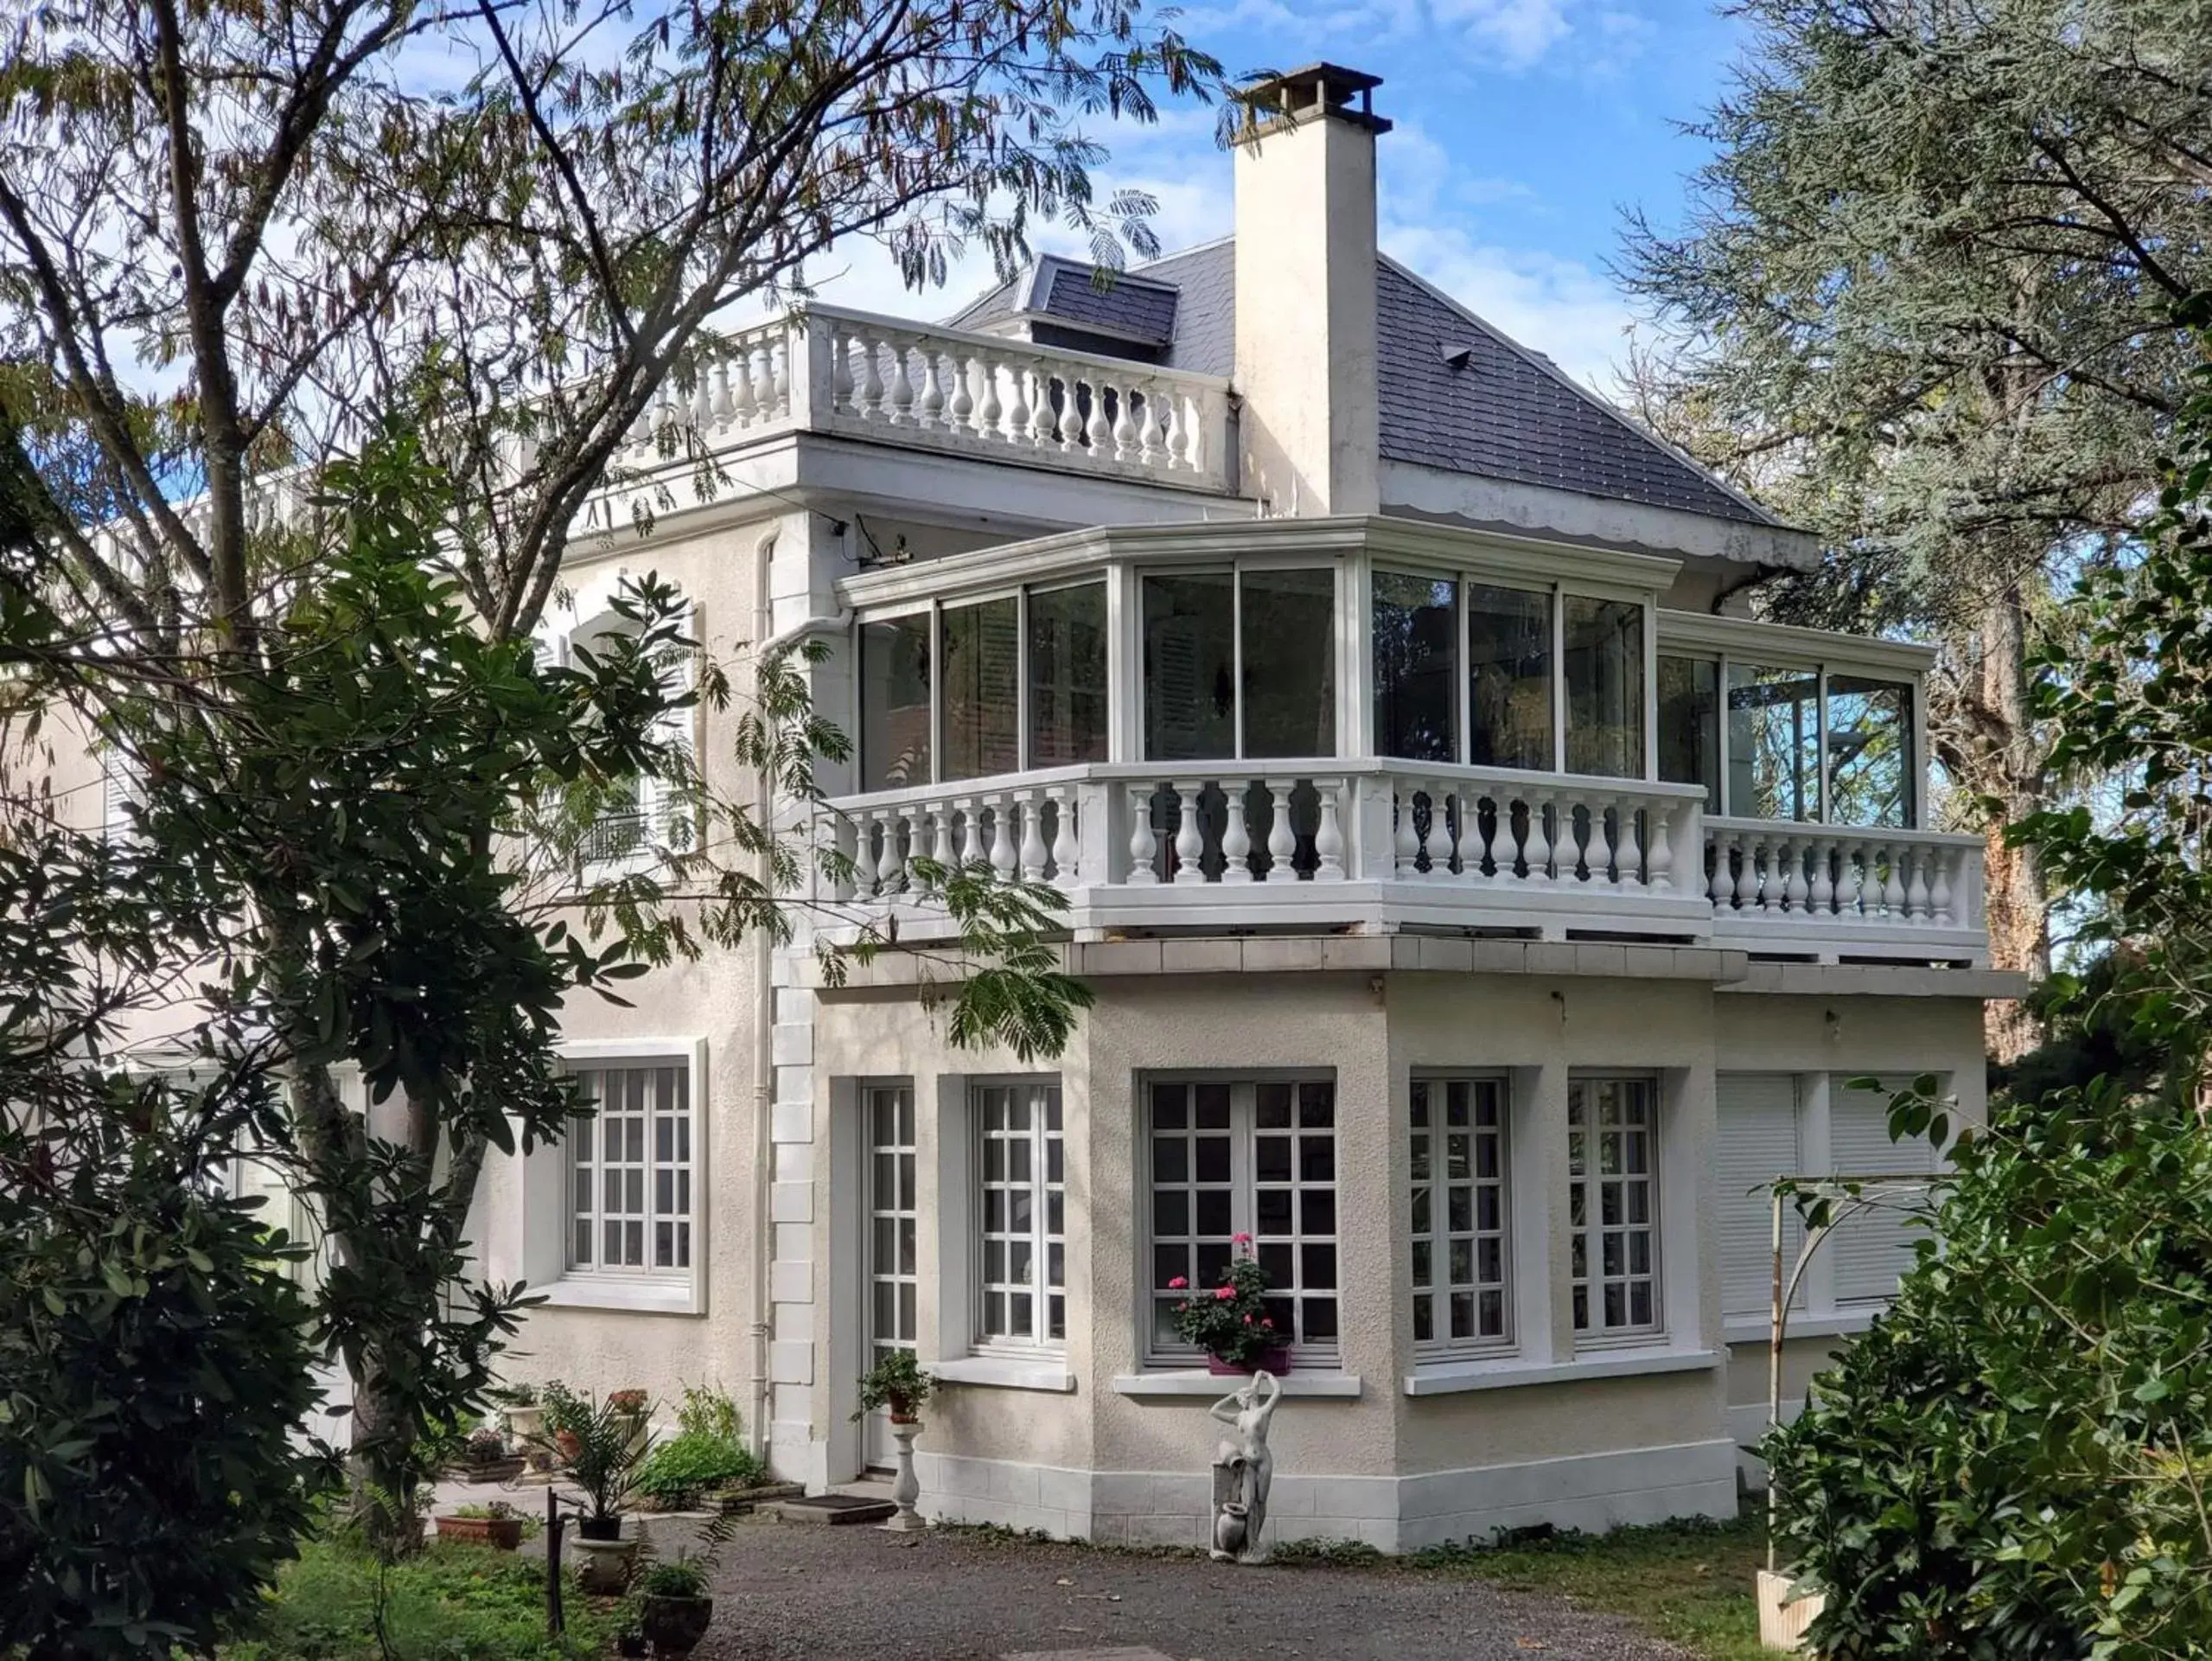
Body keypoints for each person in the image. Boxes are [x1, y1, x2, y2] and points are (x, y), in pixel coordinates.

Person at [1207, 1370, 1281, 1562]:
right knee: (1249, 1502)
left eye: (1242, 1397)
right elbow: (1214, 1411)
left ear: (1250, 1396)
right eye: (1239, 1398)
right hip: (1248, 1461)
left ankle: (1254, 1541)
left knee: (1261, 1502)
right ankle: (1248, 1545)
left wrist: (1267, 1376)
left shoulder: (1263, 1412)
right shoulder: (1240, 1417)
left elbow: (1278, 1392)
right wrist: (1232, 1395)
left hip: (1263, 1459)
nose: (1241, 1400)